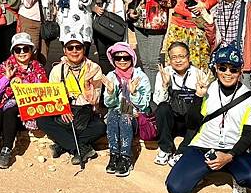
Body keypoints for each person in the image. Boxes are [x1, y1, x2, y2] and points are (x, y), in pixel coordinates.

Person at [166, 45, 251, 193]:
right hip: (203, 146)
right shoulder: (207, 89)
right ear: (216, 68)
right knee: (175, 187)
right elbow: (191, 124)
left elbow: (249, 134)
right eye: (222, 68)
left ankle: (234, 175)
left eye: (233, 69)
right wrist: (198, 97)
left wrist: (229, 156)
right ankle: (205, 171)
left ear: (240, 71)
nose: (227, 73)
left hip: (233, 149)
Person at [0, 33, 47, 169]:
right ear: (13, 52)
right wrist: (7, 78)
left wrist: (25, 87)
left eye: (25, 49)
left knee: (10, 112)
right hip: (5, 102)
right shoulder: (6, 66)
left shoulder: (37, 68)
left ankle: (6, 150)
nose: (22, 53)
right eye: (17, 50)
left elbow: (43, 91)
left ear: (31, 50)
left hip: (27, 106)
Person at [37, 36, 105, 165]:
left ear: (84, 49)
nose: (74, 51)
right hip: (64, 111)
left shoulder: (94, 68)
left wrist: (87, 86)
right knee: (42, 120)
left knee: (100, 128)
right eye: (70, 48)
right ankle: (81, 148)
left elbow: (95, 100)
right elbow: (53, 97)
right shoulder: (57, 70)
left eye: (78, 47)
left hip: (85, 111)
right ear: (65, 50)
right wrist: (63, 109)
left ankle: (63, 145)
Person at [128, 0, 175, 91]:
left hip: (156, 25)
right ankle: (148, 92)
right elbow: (132, 2)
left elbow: (172, 2)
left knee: (153, 62)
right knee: (145, 61)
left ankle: (155, 93)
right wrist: (130, 12)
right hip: (139, 25)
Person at [102, 42, 151, 177]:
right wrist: (110, 92)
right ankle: (114, 155)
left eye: (126, 57)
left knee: (125, 115)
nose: (122, 60)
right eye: (118, 58)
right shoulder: (111, 76)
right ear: (113, 60)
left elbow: (144, 105)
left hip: (135, 115)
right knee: (112, 113)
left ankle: (125, 157)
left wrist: (134, 93)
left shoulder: (140, 77)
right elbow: (109, 104)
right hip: (117, 113)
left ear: (132, 58)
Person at [153, 42, 203, 166]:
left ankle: (182, 151)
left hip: (190, 122)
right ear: (169, 59)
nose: (178, 60)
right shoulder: (164, 73)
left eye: (181, 56)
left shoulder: (198, 74)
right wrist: (165, 86)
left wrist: (199, 93)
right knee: (162, 108)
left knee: (198, 113)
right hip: (173, 121)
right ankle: (165, 149)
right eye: (174, 57)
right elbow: (158, 102)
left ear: (188, 57)